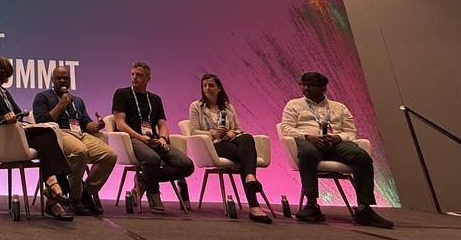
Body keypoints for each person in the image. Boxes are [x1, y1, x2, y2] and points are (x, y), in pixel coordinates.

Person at [280, 71, 394, 228]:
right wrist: (308, 136)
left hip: (336, 143)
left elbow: (351, 132)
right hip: (309, 141)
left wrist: (338, 138)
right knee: (307, 153)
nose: (305, 88)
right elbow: (286, 128)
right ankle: (312, 205)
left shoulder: (339, 107)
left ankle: (364, 209)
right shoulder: (294, 105)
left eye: (310, 86)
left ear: (323, 88)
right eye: (303, 85)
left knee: (362, 157)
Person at [0, 55, 74, 221]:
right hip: (5, 137)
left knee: (47, 133)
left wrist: (20, 116)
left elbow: (17, 112)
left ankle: (53, 189)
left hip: (17, 131)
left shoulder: (3, 91)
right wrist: (5, 118)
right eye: (4, 73)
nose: (6, 77)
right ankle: (56, 190)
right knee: (46, 136)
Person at [32, 65, 117, 215]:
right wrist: (61, 104)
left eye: (66, 78)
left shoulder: (78, 100)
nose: (63, 80)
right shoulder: (43, 97)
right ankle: (76, 197)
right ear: (52, 79)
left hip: (81, 134)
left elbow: (86, 122)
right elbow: (41, 122)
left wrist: (97, 126)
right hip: (59, 133)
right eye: (59, 78)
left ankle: (85, 190)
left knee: (110, 156)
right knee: (80, 151)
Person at [110, 61, 194, 213]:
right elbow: (120, 123)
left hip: (153, 139)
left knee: (186, 165)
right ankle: (153, 193)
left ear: (148, 78)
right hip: (132, 139)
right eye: (133, 74)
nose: (135, 78)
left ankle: (144, 180)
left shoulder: (155, 99)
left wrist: (162, 138)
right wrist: (140, 137)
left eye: (139, 75)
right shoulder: (122, 94)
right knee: (152, 159)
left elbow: (162, 124)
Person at [187, 73, 271, 223]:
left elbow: (239, 129)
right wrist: (213, 133)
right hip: (212, 145)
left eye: (211, 85)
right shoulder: (196, 106)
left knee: (247, 137)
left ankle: (250, 178)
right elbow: (193, 131)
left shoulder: (228, 107)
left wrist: (232, 133)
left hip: (230, 141)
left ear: (219, 88)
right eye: (204, 86)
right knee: (244, 156)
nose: (207, 88)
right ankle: (254, 203)